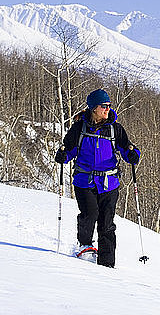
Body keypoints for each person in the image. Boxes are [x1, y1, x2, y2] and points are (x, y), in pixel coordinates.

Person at [54, 89, 140, 267]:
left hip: (109, 184)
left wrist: (134, 155)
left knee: (107, 223)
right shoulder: (79, 128)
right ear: (94, 108)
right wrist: (62, 156)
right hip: (84, 181)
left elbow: (127, 148)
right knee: (90, 214)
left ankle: (107, 264)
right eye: (104, 106)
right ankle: (84, 245)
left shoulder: (114, 128)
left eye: (109, 105)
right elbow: (69, 149)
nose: (108, 108)